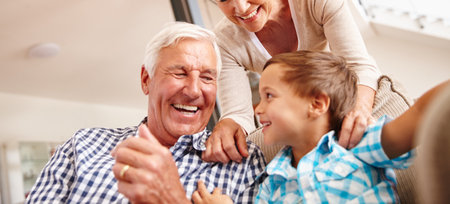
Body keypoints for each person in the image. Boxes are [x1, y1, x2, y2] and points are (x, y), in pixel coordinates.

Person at [198, 0, 382, 163]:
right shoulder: (224, 41)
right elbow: (239, 114)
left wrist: (359, 111)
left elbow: (359, 66)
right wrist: (227, 125)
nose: (240, 8)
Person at [25, 22, 266, 204]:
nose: (193, 91)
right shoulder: (83, 146)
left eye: (206, 77)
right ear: (146, 80)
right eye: (179, 73)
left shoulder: (242, 161)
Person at [191, 50, 449, 203]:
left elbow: (423, 112)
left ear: (317, 104)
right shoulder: (273, 181)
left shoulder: (357, 145)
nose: (258, 109)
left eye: (269, 96)